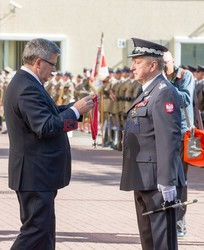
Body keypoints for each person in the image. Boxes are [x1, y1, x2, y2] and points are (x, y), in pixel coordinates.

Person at [4, 38, 95, 250]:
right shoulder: (27, 87)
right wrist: (75, 111)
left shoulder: (26, 83)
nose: (54, 70)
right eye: (52, 64)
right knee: (35, 231)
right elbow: (44, 127)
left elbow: (48, 113)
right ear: (38, 62)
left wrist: (74, 108)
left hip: (37, 174)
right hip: (35, 174)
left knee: (44, 235)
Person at [120, 38, 185, 250]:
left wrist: (167, 181)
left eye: (138, 62)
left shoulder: (163, 91)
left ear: (152, 65)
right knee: (148, 241)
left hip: (157, 182)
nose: (132, 67)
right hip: (143, 179)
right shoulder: (148, 90)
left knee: (162, 242)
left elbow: (169, 139)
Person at [163, 51, 195, 237]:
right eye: (161, 63)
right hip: (162, 133)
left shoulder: (185, 76)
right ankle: (166, 220)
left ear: (173, 61)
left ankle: (180, 222)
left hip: (183, 134)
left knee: (180, 179)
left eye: (166, 63)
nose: (164, 66)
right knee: (164, 178)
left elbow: (184, 99)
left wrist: (164, 85)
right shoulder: (158, 78)